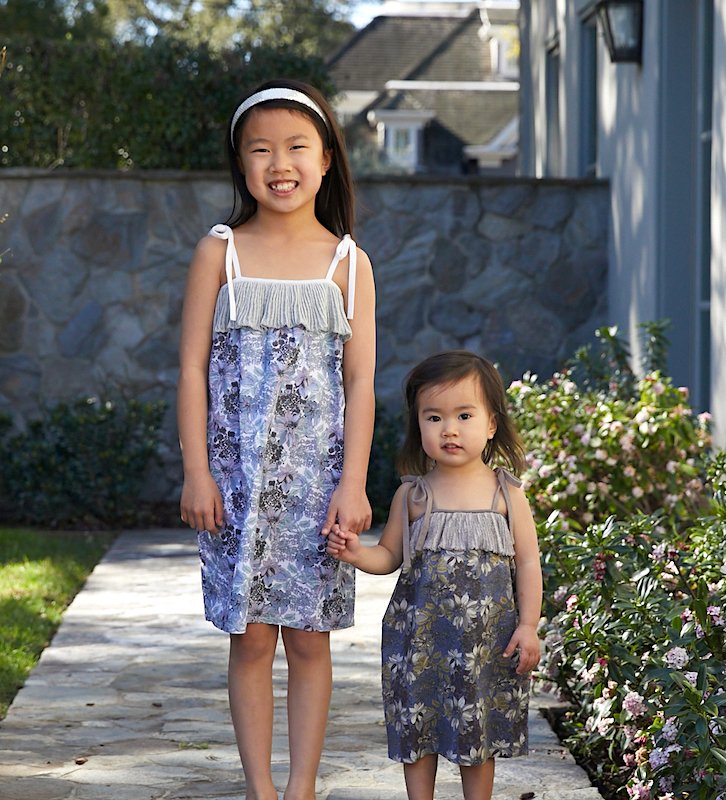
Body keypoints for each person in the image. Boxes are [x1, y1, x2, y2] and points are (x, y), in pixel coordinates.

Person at [177, 78, 376, 800]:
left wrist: (353, 484)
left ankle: (301, 789)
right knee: (252, 637)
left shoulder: (347, 263)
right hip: (235, 487)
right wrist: (196, 471)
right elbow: (193, 371)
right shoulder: (219, 253)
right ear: (241, 163)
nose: (279, 163)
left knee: (308, 638)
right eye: (260, 150)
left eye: (296, 147)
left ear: (326, 160)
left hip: (315, 489)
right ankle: (260, 788)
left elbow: (360, 384)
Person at [326, 350, 542, 800]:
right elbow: (389, 556)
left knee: (477, 735)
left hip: (486, 644)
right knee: (418, 727)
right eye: (434, 417)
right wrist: (355, 554)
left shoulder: (506, 493)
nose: (449, 429)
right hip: (420, 641)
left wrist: (528, 625)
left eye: (464, 415)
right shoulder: (414, 494)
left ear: (490, 424)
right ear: (418, 425)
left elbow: (527, 562)